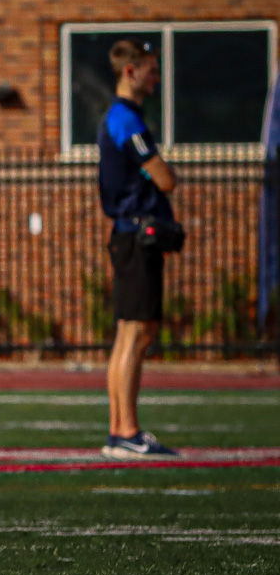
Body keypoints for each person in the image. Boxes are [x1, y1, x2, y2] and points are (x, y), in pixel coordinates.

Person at [96, 39, 179, 460]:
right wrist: (164, 175)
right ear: (131, 72)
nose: (156, 77)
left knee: (131, 331)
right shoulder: (125, 118)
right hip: (135, 234)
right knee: (137, 330)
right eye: (150, 69)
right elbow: (164, 178)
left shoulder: (123, 116)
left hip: (128, 233)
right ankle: (126, 430)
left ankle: (119, 431)